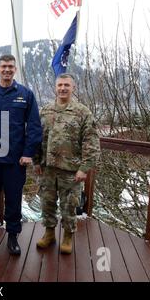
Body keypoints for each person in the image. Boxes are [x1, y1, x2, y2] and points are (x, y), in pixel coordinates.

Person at [0, 54, 42, 255]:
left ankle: (13, 235)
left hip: (16, 160)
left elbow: (33, 126)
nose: (7, 70)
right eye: (3, 66)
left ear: (15, 69)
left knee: (14, 198)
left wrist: (28, 153)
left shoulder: (26, 94)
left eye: (10, 67)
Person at [34, 73, 100, 254]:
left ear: (73, 88)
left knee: (69, 205)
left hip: (71, 171)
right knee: (47, 204)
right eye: (60, 85)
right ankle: (49, 234)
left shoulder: (82, 112)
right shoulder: (45, 111)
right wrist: (36, 161)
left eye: (67, 85)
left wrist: (84, 168)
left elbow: (91, 142)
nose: (63, 88)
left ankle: (68, 237)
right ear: (55, 87)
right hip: (47, 169)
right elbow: (36, 138)